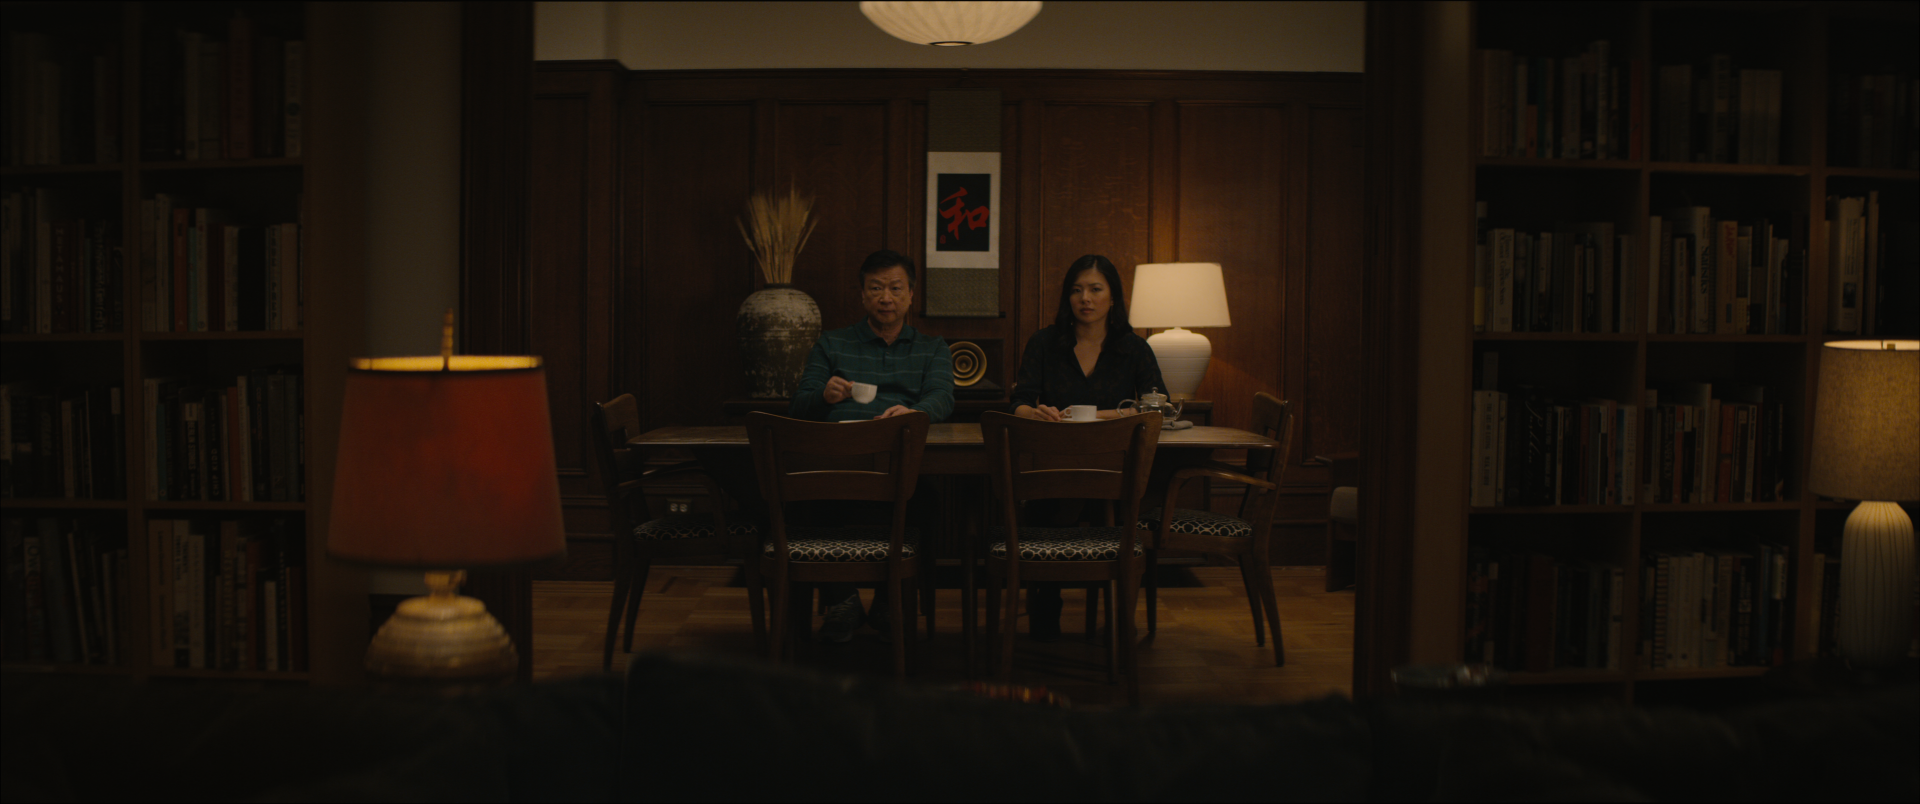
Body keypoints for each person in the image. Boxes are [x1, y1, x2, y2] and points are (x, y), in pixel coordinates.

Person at [788, 250, 953, 643]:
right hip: (838, 462)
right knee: (807, 497)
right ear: (862, 295)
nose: (886, 297)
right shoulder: (833, 344)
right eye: (876, 288)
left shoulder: (932, 348)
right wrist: (824, 397)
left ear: (911, 295)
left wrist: (912, 413)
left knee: (927, 498)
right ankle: (841, 599)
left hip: (901, 462)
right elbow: (799, 404)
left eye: (896, 288)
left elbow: (943, 398)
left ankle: (889, 597)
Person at [1007, 254, 1167, 640]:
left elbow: (1155, 404)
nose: (1086, 298)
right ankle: (1047, 603)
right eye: (1077, 290)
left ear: (1113, 297)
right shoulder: (1044, 343)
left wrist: (1103, 417)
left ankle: (1114, 610)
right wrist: (1036, 412)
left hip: (1114, 471)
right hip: (1051, 467)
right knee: (1054, 499)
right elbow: (1018, 403)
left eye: (1096, 289)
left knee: (1104, 504)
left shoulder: (1134, 348)